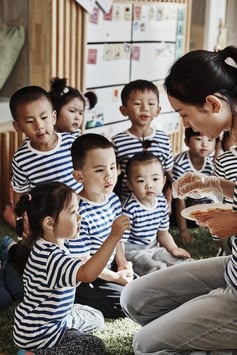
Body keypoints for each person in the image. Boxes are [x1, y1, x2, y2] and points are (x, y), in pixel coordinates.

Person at [120, 45, 237, 354]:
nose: (186, 125)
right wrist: (214, 185)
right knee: (135, 299)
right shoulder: (232, 140)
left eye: (184, 114)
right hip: (233, 267)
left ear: (212, 104)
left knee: (146, 344)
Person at [13, 181, 130, 354]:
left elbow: (83, 263)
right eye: (74, 212)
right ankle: (33, 353)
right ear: (50, 223)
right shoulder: (52, 257)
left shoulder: (47, 244)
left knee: (96, 318)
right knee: (94, 345)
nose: (80, 217)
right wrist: (113, 238)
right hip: (39, 334)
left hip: (48, 319)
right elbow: (87, 273)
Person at [70, 133, 133, 318]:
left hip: (109, 268)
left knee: (141, 287)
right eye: (99, 170)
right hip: (87, 276)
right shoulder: (76, 211)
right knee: (126, 303)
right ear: (79, 176)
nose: (109, 176)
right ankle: (79, 303)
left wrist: (121, 264)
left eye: (112, 167)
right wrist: (116, 278)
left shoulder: (112, 199)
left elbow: (117, 238)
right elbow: (83, 260)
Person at [3, 85, 82, 229]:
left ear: (53, 117)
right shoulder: (21, 158)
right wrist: (21, 217)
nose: (39, 126)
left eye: (44, 117)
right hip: (46, 217)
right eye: (29, 121)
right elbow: (20, 192)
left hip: (78, 209)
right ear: (18, 127)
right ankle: (10, 244)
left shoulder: (73, 143)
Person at [122, 151, 191, 276]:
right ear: (130, 185)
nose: (149, 185)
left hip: (154, 247)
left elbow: (163, 233)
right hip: (133, 251)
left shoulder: (161, 202)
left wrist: (173, 248)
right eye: (141, 181)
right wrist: (121, 261)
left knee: (181, 262)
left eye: (155, 179)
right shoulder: (129, 208)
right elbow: (120, 241)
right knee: (156, 268)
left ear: (163, 181)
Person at [111, 79, 173, 209]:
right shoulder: (117, 141)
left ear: (158, 110)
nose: (145, 108)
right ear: (124, 110)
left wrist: (168, 201)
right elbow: (112, 177)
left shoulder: (164, 139)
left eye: (151, 103)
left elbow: (168, 175)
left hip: (157, 204)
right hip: (127, 205)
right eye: (137, 103)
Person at [172, 127, 216, 242]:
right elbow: (179, 199)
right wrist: (183, 230)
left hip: (205, 207)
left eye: (210, 140)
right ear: (186, 142)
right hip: (186, 208)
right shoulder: (180, 164)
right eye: (198, 139)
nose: (204, 144)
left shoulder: (212, 161)